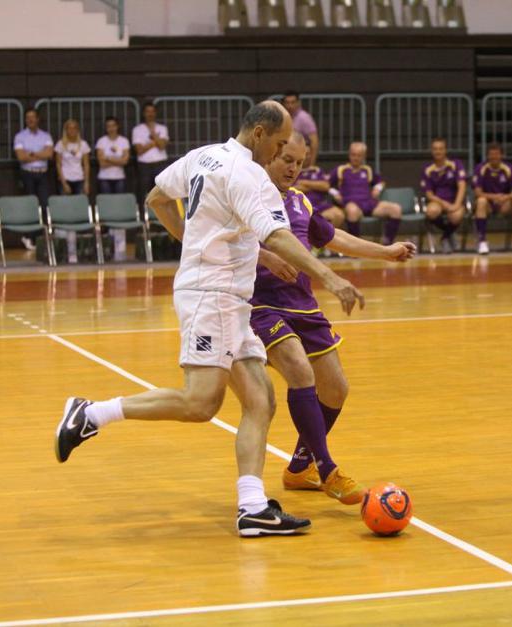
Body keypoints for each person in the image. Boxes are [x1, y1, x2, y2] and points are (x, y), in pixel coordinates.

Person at [53, 101, 365, 537]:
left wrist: (196, 244)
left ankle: (252, 508)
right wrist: (330, 278)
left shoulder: (203, 156)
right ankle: (91, 414)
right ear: (259, 134)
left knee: (260, 399)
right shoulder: (248, 174)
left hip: (228, 299)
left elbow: (157, 198)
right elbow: (277, 236)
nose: (280, 154)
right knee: (201, 403)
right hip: (213, 297)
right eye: (279, 145)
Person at [251, 131, 415, 505]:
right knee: (299, 370)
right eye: (287, 160)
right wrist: (263, 257)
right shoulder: (248, 195)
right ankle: (327, 469)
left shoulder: (300, 201)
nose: (293, 168)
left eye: (299, 162)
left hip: (303, 304)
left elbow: (334, 237)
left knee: (336, 388)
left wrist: (385, 252)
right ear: (270, 154)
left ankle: (299, 467)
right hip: (260, 304)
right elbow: (224, 238)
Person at [329, 142, 402, 245]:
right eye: (353, 155)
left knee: (396, 209)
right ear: (349, 155)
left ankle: (387, 243)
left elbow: (381, 182)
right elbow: (326, 184)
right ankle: (356, 246)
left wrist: (377, 188)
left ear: (364, 156)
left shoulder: (367, 170)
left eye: (359, 155)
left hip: (369, 203)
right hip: (352, 204)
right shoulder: (341, 170)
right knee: (352, 211)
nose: (355, 158)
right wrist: (335, 193)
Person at [472, 143, 512, 254]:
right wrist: (493, 196)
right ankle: (482, 241)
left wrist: (507, 197)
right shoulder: (480, 168)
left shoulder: (509, 168)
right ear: (487, 156)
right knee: (481, 201)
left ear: (502, 155)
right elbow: (477, 192)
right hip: (488, 204)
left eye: (497, 154)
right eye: (491, 154)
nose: (494, 157)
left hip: (504, 203)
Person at [14, 108, 54, 250]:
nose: (30, 120)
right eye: (28, 117)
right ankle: (29, 237)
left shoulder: (46, 136)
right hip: (27, 174)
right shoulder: (20, 136)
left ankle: (42, 237)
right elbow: (21, 157)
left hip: (43, 173)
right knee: (31, 206)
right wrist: (39, 154)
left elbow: (49, 154)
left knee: (44, 204)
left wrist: (31, 154)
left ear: (38, 119)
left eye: (33, 117)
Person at [419, 138, 466, 253]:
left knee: (456, 216)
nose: (438, 151)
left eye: (440, 149)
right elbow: (429, 194)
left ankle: (445, 237)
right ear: (432, 151)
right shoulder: (427, 169)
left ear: (445, 150)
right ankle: (449, 233)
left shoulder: (456, 164)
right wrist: (443, 203)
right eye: (435, 149)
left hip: (454, 200)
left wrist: (456, 204)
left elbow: (462, 186)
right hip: (437, 201)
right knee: (431, 212)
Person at [294, 138, 342, 228]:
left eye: (309, 154)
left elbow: (326, 186)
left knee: (339, 215)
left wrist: (305, 183)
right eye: (305, 154)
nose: (307, 156)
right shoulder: (294, 170)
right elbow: (294, 189)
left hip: (320, 206)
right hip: (301, 207)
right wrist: (316, 186)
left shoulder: (317, 170)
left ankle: (327, 237)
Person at [132, 102, 169, 206]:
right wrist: (154, 143)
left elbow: (162, 146)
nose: (150, 114)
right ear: (144, 113)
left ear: (155, 113)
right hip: (144, 164)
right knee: (143, 191)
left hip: (160, 163)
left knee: (161, 190)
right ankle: (142, 213)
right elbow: (139, 150)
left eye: (152, 111)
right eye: (148, 112)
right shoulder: (137, 129)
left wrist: (153, 134)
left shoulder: (162, 128)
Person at [54, 119, 91, 197]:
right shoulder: (60, 144)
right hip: (65, 178)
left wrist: (86, 183)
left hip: (79, 179)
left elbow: (86, 165)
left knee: (80, 203)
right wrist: (64, 183)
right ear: (66, 130)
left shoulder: (83, 144)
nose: (72, 130)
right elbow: (58, 164)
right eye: (69, 128)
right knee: (65, 203)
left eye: (74, 128)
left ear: (78, 130)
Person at [283, 90, 320, 166]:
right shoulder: (283, 117)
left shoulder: (304, 118)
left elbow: (314, 142)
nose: (290, 105)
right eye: (287, 102)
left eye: (293, 102)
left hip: (300, 158)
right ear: (283, 103)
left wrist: (311, 164)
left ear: (298, 103)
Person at [95, 116, 131, 194]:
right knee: (105, 200)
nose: (111, 128)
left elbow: (125, 161)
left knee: (119, 200)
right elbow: (102, 163)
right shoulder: (101, 141)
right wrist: (119, 161)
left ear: (117, 126)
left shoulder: (124, 141)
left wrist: (107, 158)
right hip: (104, 178)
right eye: (108, 126)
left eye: (113, 126)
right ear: (106, 128)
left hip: (119, 177)